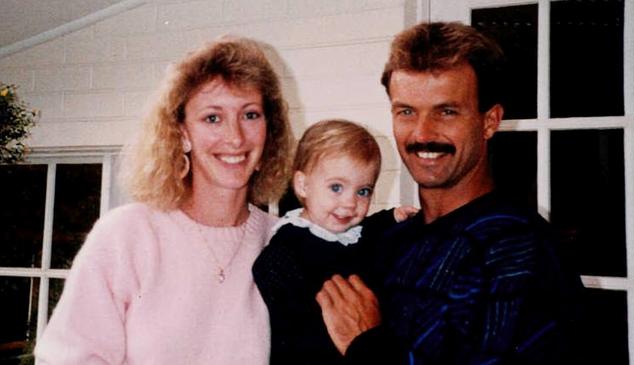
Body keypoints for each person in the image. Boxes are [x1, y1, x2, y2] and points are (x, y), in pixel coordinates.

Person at [315, 22, 584, 364]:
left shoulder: (518, 251)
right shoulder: (391, 241)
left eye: (446, 111)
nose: (422, 133)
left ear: (490, 121)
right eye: (406, 112)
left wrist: (367, 344)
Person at [34, 37, 293, 364]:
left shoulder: (284, 242)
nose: (235, 137)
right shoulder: (128, 233)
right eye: (213, 117)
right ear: (182, 133)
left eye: (251, 115)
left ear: (269, 130)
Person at [252, 119, 418, 365]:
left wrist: (392, 216)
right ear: (303, 185)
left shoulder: (352, 233)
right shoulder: (287, 248)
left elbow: (369, 229)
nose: (350, 203)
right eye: (336, 187)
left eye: (363, 191)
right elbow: (287, 318)